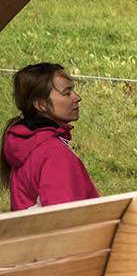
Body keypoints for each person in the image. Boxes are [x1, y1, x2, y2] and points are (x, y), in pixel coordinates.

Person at [3, 63, 100, 209]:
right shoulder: (54, 153)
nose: (77, 97)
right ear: (41, 104)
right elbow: (63, 217)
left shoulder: (26, 143)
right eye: (67, 93)